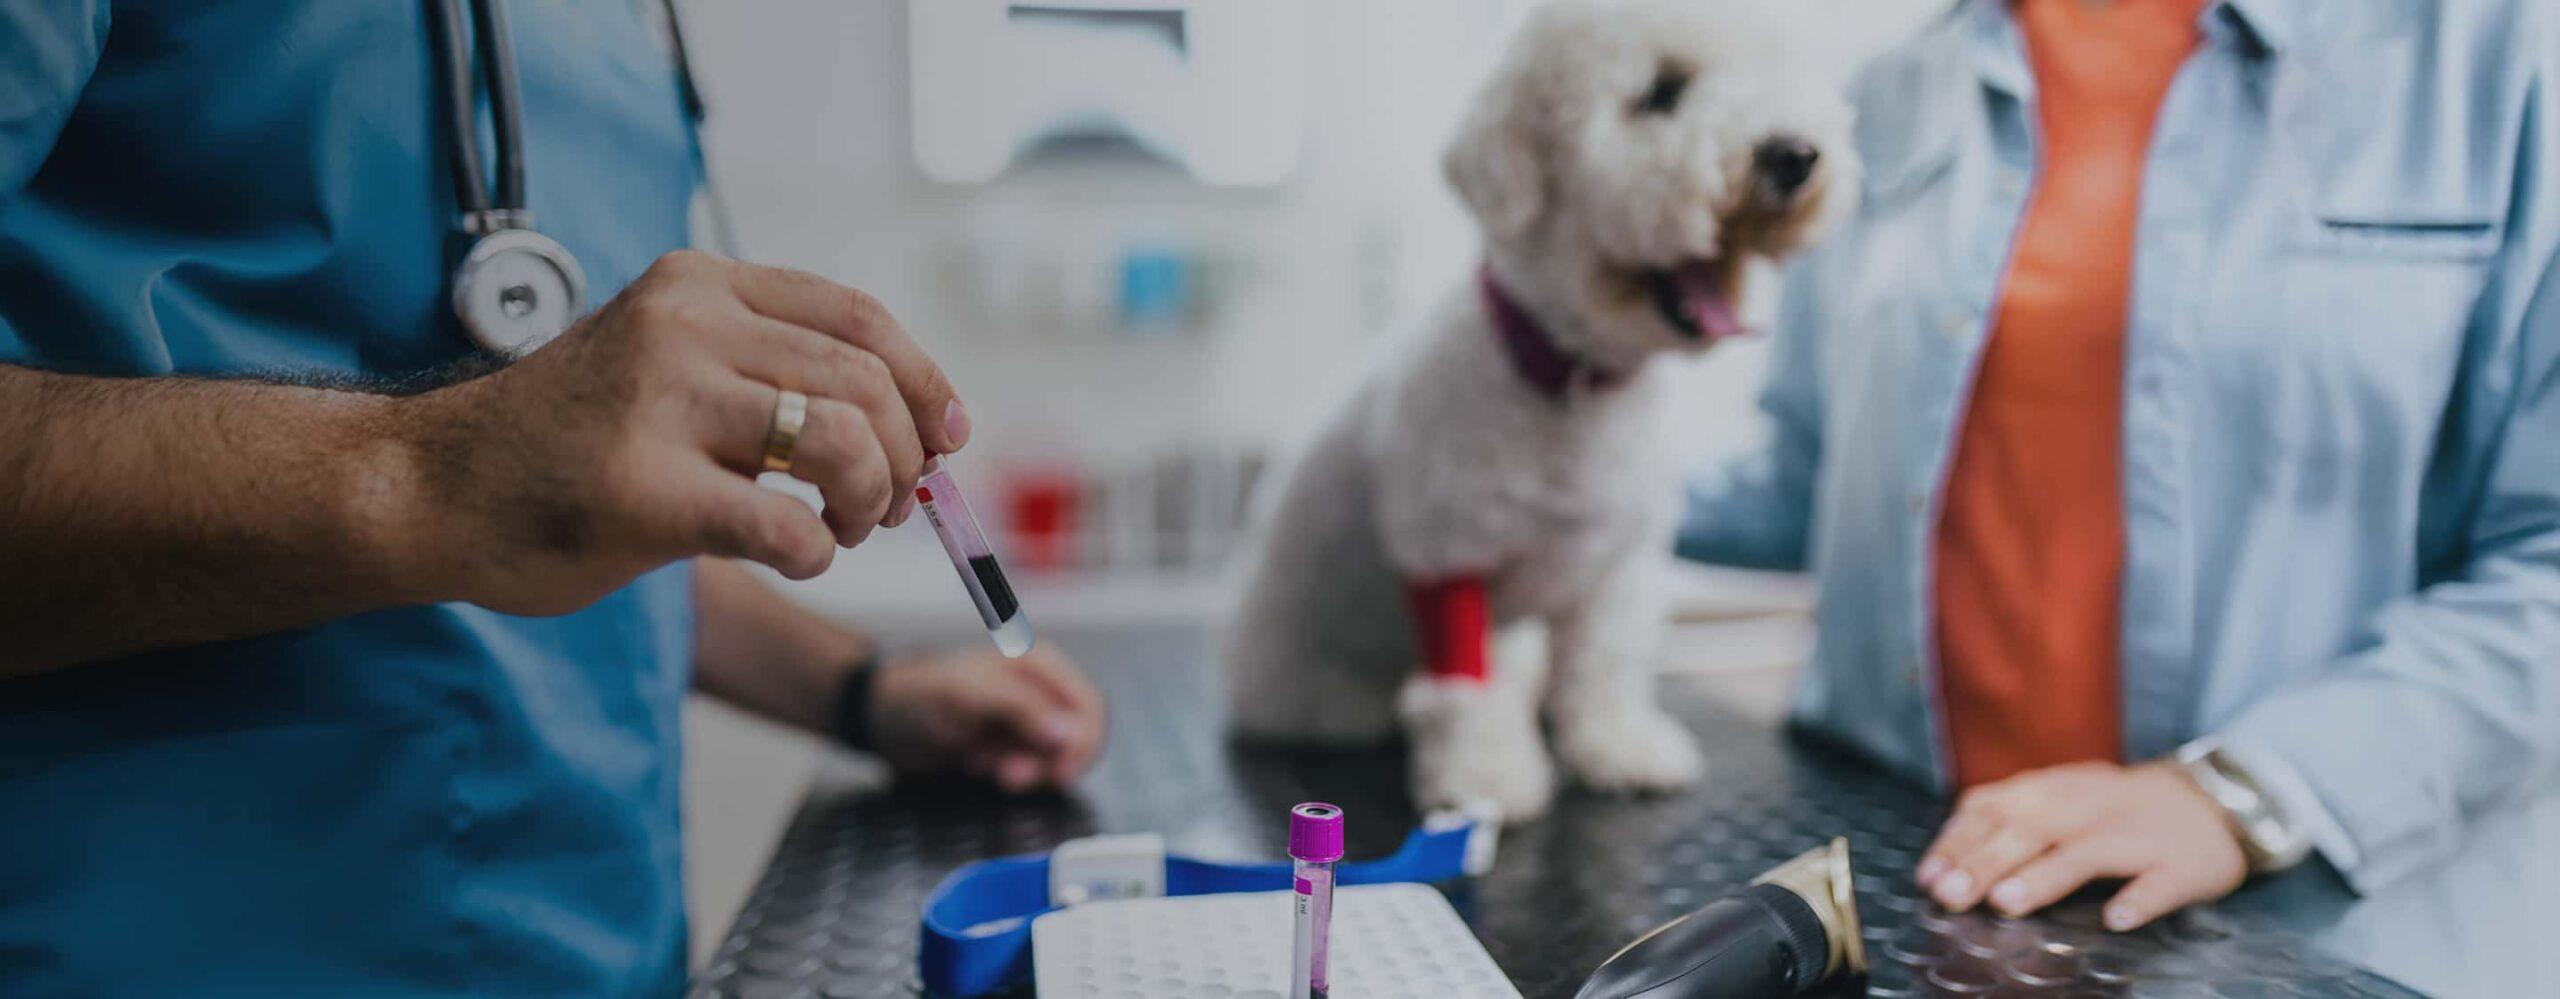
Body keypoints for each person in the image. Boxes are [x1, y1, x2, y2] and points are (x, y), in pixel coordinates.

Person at [0, 1, 1105, 995]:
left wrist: (861, 691)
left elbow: (580, 512)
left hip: (606, 946)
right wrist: (432, 470)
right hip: (189, 942)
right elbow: (489, 485)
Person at [1677, 0, 2557, 994]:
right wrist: (1558, 462)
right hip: (1922, 908)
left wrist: (2245, 791)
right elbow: (1814, 482)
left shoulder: (2495, 60)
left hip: (2293, 947)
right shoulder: (1890, 92)